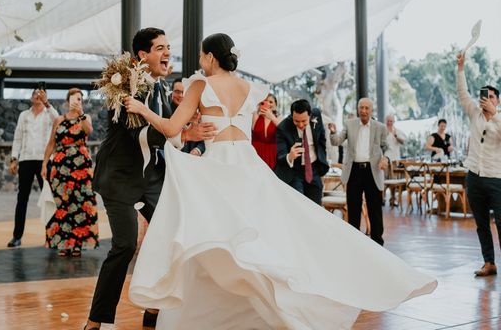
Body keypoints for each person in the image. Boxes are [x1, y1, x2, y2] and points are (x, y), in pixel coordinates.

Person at [124, 33, 435, 329]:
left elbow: (170, 127)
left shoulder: (199, 84)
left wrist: (142, 110)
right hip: (248, 167)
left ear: (209, 56)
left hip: (218, 166)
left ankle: (219, 314)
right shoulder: (248, 87)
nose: (200, 63)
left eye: (202, 57)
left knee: (215, 241)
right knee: (260, 239)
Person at [84, 28, 216, 330]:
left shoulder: (159, 89)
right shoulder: (125, 87)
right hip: (119, 177)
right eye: (160, 48)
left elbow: (169, 128)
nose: (167, 52)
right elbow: (140, 132)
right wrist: (182, 132)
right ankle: (95, 322)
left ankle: (155, 313)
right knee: (125, 246)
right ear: (142, 55)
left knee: (172, 238)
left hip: (152, 179)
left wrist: (185, 131)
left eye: (168, 47)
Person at [457, 53, 501, 277]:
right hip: (474, 177)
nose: (488, 99)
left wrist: (495, 116)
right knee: (482, 224)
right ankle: (489, 262)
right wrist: (461, 68)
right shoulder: (474, 113)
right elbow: (462, 94)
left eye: (492, 97)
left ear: (498, 100)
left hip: (497, 179)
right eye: (485, 96)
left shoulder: (500, 117)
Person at [41, 88, 98, 257]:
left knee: (80, 204)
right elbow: (51, 143)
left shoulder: (85, 118)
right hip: (60, 168)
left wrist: (80, 114)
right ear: (67, 102)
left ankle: (77, 243)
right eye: (74, 99)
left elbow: (89, 131)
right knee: (62, 205)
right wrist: (44, 164)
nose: (77, 102)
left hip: (81, 167)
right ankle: (63, 243)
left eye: (80, 99)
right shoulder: (58, 120)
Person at [329, 98, 389, 246]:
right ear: (357, 109)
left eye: (367, 108)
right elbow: (337, 141)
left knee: (374, 209)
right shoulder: (349, 125)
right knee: (353, 208)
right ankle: (354, 243)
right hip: (354, 171)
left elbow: (386, 146)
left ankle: (377, 243)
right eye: (361, 108)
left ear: (371, 110)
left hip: (372, 170)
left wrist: (385, 158)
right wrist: (333, 132)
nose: (363, 111)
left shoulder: (380, 127)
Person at [7, 88, 58, 248]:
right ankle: (16, 237)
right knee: (22, 199)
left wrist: (47, 103)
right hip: (27, 159)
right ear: (30, 97)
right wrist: (14, 158)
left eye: (41, 94)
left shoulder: (50, 114)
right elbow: (18, 137)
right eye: (35, 94)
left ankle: (51, 237)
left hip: (44, 161)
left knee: (48, 199)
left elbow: (58, 120)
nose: (37, 96)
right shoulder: (24, 115)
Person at [274, 99, 329, 204]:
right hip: (295, 172)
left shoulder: (317, 115)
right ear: (292, 116)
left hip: (314, 170)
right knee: (299, 205)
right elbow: (280, 156)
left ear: (310, 115)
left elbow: (322, 138)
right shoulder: (283, 128)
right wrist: (289, 156)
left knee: (316, 208)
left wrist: (322, 156)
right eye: (296, 121)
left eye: (304, 121)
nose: (300, 125)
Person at [170, 78, 205, 157]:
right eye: (177, 92)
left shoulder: (198, 113)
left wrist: (198, 150)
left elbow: (204, 140)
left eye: (184, 92)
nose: (181, 95)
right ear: (171, 92)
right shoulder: (167, 112)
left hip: (192, 160)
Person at [251, 93, 280, 168]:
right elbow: (252, 130)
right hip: (256, 152)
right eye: (265, 101)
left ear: (275, 105)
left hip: (272, 153)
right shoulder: (255, 115)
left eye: (271, 102)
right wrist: (257, 112)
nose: (267, 103)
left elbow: (283, 130)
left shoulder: (278, 118)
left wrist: (272, 117)